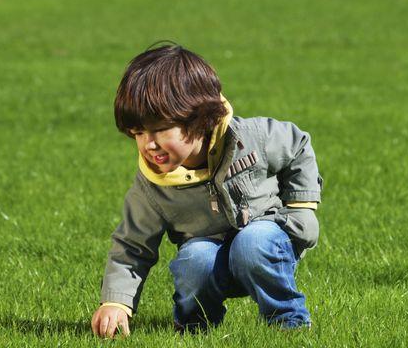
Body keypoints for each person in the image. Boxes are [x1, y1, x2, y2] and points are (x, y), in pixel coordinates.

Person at [91, 43, 322, 338]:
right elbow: (131, 246)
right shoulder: (153, 185)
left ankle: (287, 322)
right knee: (194, 258)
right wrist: (116, 302)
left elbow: (298, 145)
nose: (148, 144)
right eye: (138, 133)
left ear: (198, 119)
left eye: (160, 129)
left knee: (253, 242)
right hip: (210, 255)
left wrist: (302, 209)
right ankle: (195, 328)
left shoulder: (250, 139)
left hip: (266, 240)